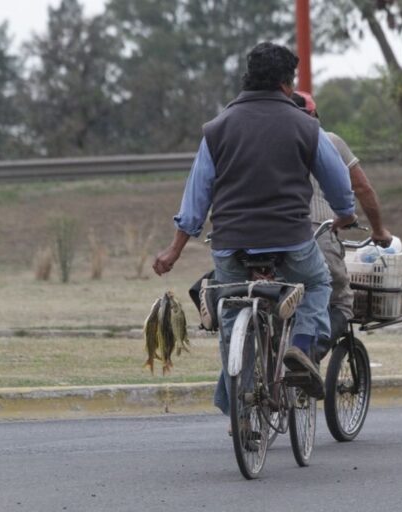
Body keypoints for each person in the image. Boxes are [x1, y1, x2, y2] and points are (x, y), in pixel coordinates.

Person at [152, 42, 356, 407]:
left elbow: (197, 196)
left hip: (231, 244)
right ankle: (302, 348)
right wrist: (344, 213)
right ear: (285, 84)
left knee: (232, 315)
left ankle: (237, 407)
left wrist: (174, 251)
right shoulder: (306, 127)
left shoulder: (217, 129)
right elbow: (338, 181)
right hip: (290, 240)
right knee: (317, 281)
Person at [290, 91, 392, 361]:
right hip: (316, 232)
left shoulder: (265, 142)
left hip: (265, 235)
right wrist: (379, 230)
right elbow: (362, 187)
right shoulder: (328, 140)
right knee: (340, 301)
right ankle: (309, 355)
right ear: (314, 117)